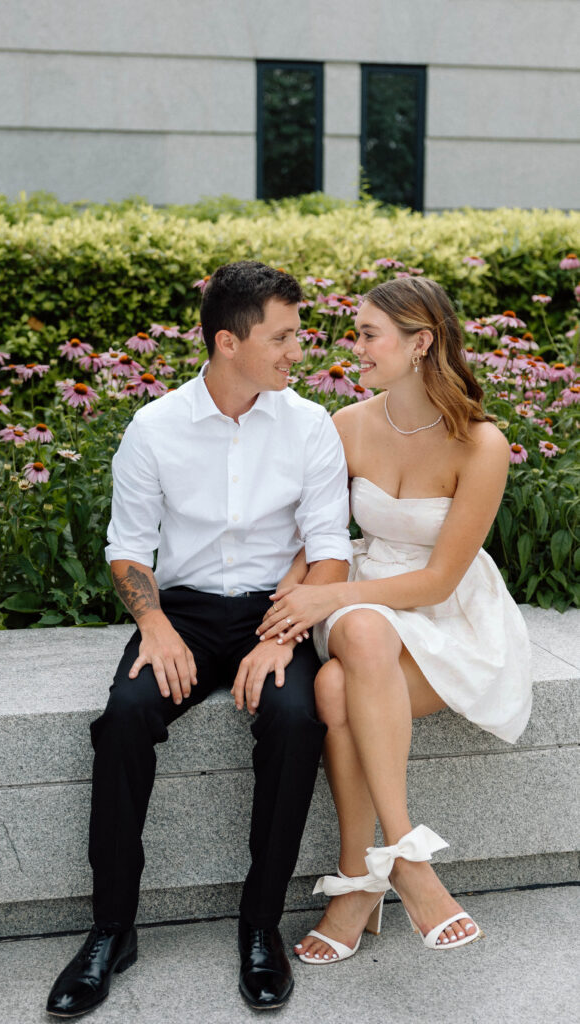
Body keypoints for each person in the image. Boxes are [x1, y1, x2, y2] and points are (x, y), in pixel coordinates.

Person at [46, 261, 352, 1017]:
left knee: (293, 721)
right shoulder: (155, 427)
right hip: (178, 610)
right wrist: (153, 624)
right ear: (226, 341)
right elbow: (127, 548)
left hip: (273, 608)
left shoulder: (309, 425)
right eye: (281, 337)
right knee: (122, 720)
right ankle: (111, 931)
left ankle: (259, 929)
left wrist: (283, 637)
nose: (296, 350)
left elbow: (329, 547)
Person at [256, 276, 532, 963]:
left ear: (420, 344)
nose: (354, 347)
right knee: (363, 630)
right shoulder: (345, 426)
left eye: (367, 334)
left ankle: (358, 882)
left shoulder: (480, 444)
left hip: (446, 613)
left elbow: (440, 577)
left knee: (331, 688)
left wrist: (328, 600)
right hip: (361, 598)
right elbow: (309, 542)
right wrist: (284, 616)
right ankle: (408, 858)